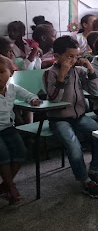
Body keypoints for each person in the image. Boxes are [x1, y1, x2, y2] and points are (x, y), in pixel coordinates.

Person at [44, 36, 98, 198]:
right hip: (59, 119)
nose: (73, 60)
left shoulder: (78, 71)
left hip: (78, 116)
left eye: (76, 56)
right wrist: (61, 77)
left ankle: (94, 170)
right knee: (74, 145)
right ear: (57, 57)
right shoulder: (50, 73)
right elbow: (54, 99)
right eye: (69, 56)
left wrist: (90, 70)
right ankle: (85, 181)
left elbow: (94, 91)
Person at [0, 55, 40, 204]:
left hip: (8, 128)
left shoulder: (12, 87)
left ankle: (4, 186)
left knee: (21, 153)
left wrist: (34, 100)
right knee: (3, 156)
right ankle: (11, 188)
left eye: (0, 72)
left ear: (10, 73)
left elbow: (28, 95)